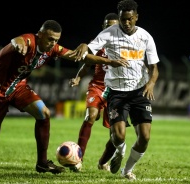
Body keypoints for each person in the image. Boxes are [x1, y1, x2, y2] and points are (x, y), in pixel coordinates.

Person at [0, 19, 129, 175]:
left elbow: (80, 57)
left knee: (44, 113)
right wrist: (17, 44)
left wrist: (110, 61)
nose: (52, 43)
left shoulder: (53, 49)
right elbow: (18, 40)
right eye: (50, 39)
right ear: (40, 34)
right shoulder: (29, 41)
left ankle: (42, 163)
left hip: (18, 87)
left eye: (56, 40)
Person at [73, 0, 159, 180]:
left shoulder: (146, 37)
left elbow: (154, 67)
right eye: (122, 20)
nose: (126, 23)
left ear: (136, 17)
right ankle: (119, 151)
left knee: (144, 138)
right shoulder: (109, 33)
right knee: (118, 137)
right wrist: (83, 46)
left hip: (139, 92)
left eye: (129, 19)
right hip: (117, 92)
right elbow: (89, 52)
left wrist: (150, 83)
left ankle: (127, 170)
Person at [69, 13, 120, 172]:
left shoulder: (125, 44)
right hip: (97, 86)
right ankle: (78, 159)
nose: (109, 28)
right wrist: (78, 78)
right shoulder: (98, 43)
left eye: (112, 25)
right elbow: (87, 64)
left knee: (117, 133)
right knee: (90, 116)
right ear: (103, 27)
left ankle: (103, 162)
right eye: (106, 25)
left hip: (117, 90)